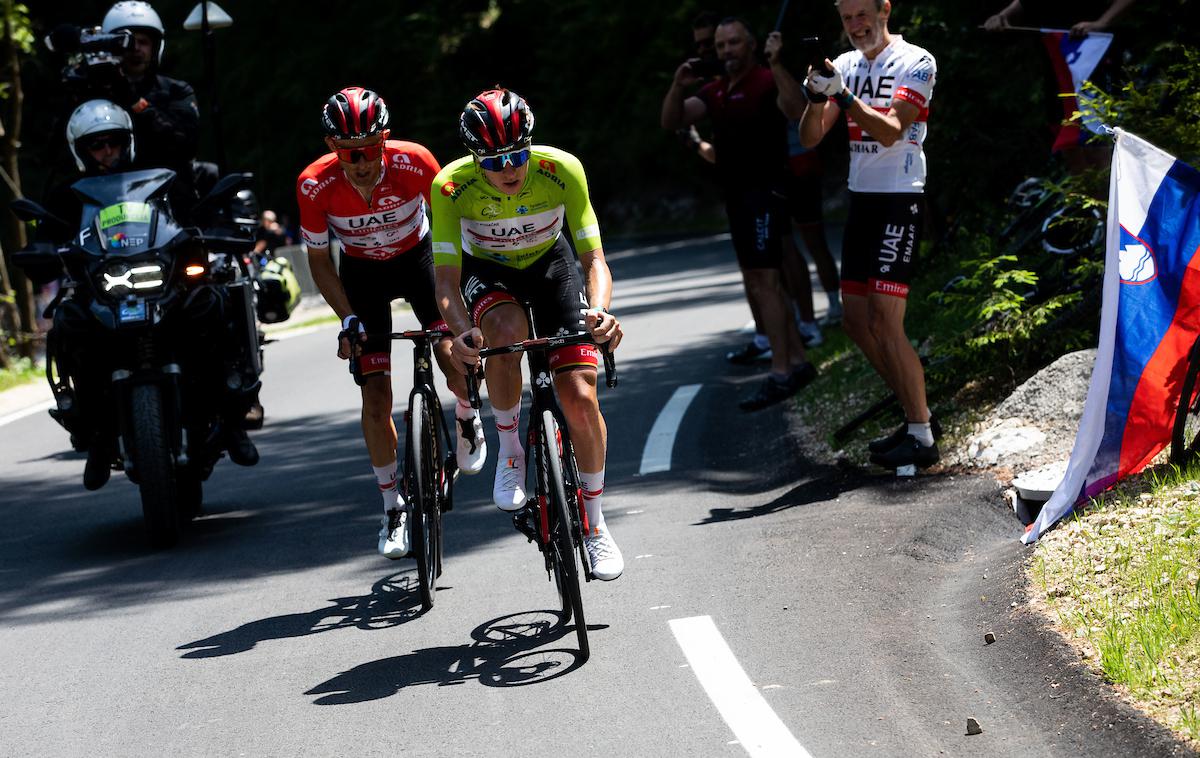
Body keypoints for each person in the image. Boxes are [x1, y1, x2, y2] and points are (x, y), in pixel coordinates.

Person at [432, 88, 625, 581]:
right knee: (502, 331)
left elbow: (592, 259)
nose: (510, 169)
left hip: (550, 265)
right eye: (495, 161)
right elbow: (447, 282)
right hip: (489, 273)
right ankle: (511, 452)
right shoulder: (451, 187)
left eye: (518, 155)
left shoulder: (560, 169)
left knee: (580, 395)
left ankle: (597, 525)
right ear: (476, 159)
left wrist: (600, 311)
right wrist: (460, 332)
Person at [297, 86, 487, 560]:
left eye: (368, 150)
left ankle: (466, 414)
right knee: (375, 393)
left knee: (450, 353)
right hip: (362, 275)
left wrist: (459, 298)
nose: (359, 162)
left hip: (420, 261)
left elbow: (452, 227)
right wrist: (348, 318)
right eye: (347, 153)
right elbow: (320, 263)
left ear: (385, 138)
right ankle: (392, 507)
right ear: (331, 148)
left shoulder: (416, 162)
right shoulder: (313, 185)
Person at [798, 0, 941, 468]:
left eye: (863, 14)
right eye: (846, 18)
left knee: (884, 319)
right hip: (862, 199)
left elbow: (891, 131)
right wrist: (815, 98)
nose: (855, 26)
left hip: (900, 196)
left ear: (885, 9)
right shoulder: (842, 65)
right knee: (855, 323)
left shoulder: (917, 61)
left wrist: (841, 97)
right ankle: (916, 413)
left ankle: (921, 435)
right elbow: (810, 138)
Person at [661, 17, 817, 410]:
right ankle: (797, 361)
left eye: (734, 43)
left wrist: (779, 63)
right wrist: (678, 87)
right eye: (721, 44)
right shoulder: (715, 91)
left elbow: (798, 110)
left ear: (751, 45)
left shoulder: (767, 80)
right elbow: (672, 121)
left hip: (767, 194)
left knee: (766, 282)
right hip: (737, 199)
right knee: (763, 283)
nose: (727, 50)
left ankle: (780, 372)